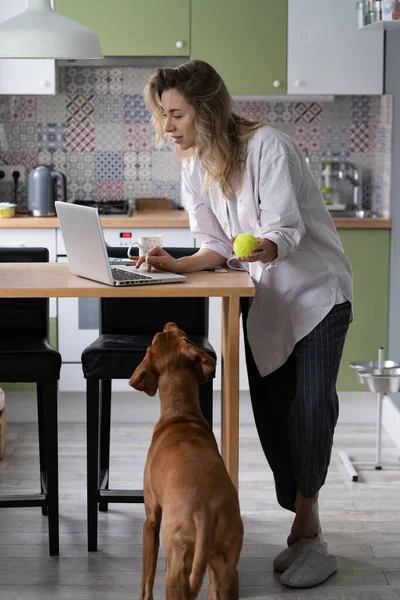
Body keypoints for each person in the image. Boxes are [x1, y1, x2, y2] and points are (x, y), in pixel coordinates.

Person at [138, 59, 353, 588]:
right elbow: (214, 244)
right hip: (265, 301)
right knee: (273, 415)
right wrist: (178, 263)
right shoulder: (196, 164)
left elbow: (284, 229)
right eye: (164, 115)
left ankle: (309, 528)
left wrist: (264, 245)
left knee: (311, 407)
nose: (167, 126)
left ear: (206, 111)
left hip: (315, 295)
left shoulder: (268, 147)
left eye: (176, 114)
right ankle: (302, 526)